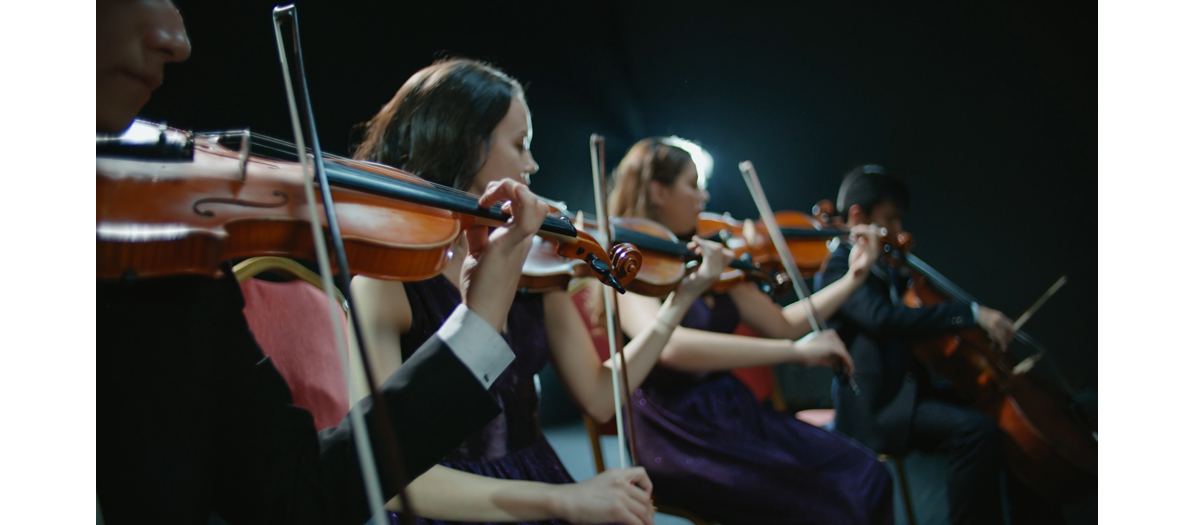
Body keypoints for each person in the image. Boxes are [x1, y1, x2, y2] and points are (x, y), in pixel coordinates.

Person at [97, 2, 550, 523]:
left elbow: (298, 496)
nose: (178, 40)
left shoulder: (165, 263)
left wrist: (479, 322)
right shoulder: (151, 247)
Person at [349, 58, 731, 525]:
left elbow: (598, 396)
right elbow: (391, 478)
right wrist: (564, 502)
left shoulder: (531, 265)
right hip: (455, 507)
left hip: (540, 474)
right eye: (520, 145)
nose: (532, 164)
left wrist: (680, 303)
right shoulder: (386, 281)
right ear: (466, 145)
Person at [609, 138, 895, 525]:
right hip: (677, 430)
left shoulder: (708, 254)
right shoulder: (627, 262)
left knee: (868, 475)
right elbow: (671, 347)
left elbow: (784, 325)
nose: (703, 195)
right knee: (829, 507)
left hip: (732, 410)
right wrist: (794, 353)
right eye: (692, 184)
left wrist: (853, 278)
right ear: (658, 191)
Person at [813, 165, 1016, 525]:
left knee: (996, 410)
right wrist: (970, 314)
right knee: (975, 433)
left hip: (907, 394)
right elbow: (886, 319)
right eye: (890, 219)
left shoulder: (888, 268)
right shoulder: (838, 270)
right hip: (876, 410)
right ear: (858, 215)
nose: (897, 230)